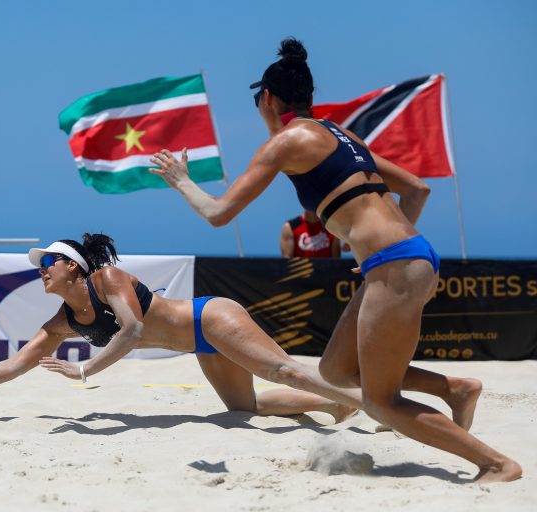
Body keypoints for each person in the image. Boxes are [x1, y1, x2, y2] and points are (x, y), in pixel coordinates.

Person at [148, 38, 520, 482]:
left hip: (396, 264)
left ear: (267, 99)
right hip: (409, 256)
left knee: (381, 402)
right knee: (337, 371)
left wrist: (181, 180)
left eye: (258, 103)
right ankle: (454, 389)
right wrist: (379, 252)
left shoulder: (287, 141)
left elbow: (218, 214)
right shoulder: (341, 135)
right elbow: (417, 188)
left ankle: (496, 464)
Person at [0, 233, 363, 424]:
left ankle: (375, 406)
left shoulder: (107, 279)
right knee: (244, 410)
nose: (42, 270)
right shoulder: (62, 321)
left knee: (280, 370)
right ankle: (338, 406)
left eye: (48, 263)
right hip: (199, 347)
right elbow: (16, 364)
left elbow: (131, 331)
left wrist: (84, 370)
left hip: (210, 317)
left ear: (74, 268)